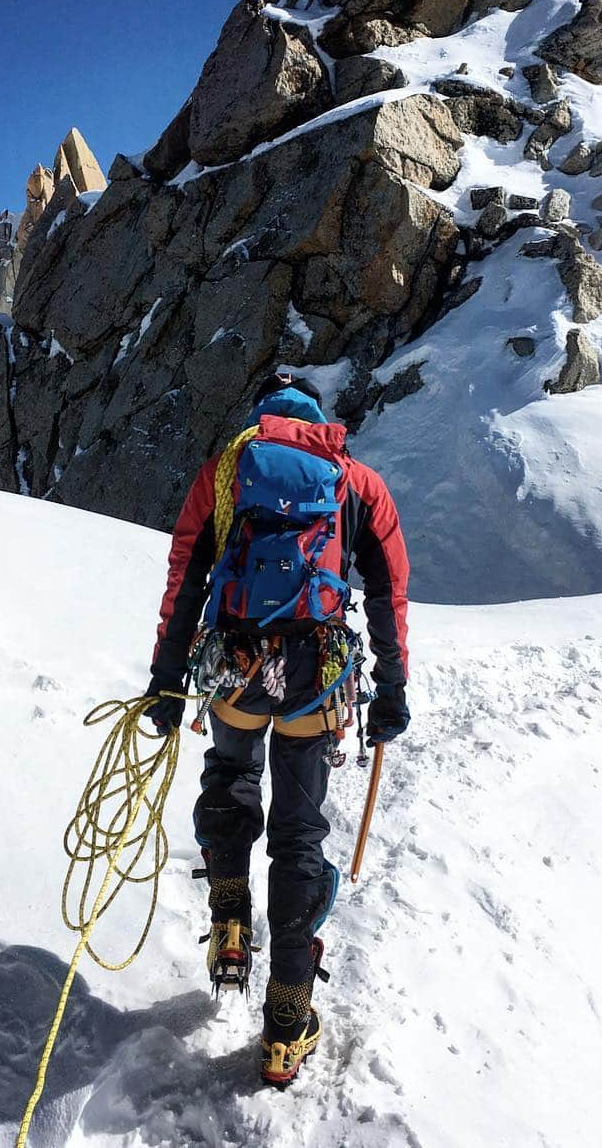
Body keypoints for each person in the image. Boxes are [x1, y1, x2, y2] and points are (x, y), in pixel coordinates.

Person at [145, 371, 410, 1086]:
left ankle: (230, 915)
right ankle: (287, 1022)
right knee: (299, 833)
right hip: (312, 676)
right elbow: (387, 593)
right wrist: (392, 688)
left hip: (236, 665)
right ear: (316, 421)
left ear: (261, 417)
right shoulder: (356, 482)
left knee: (231, 778)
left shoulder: (226, 473)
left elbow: (186, 577)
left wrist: (167, 679)